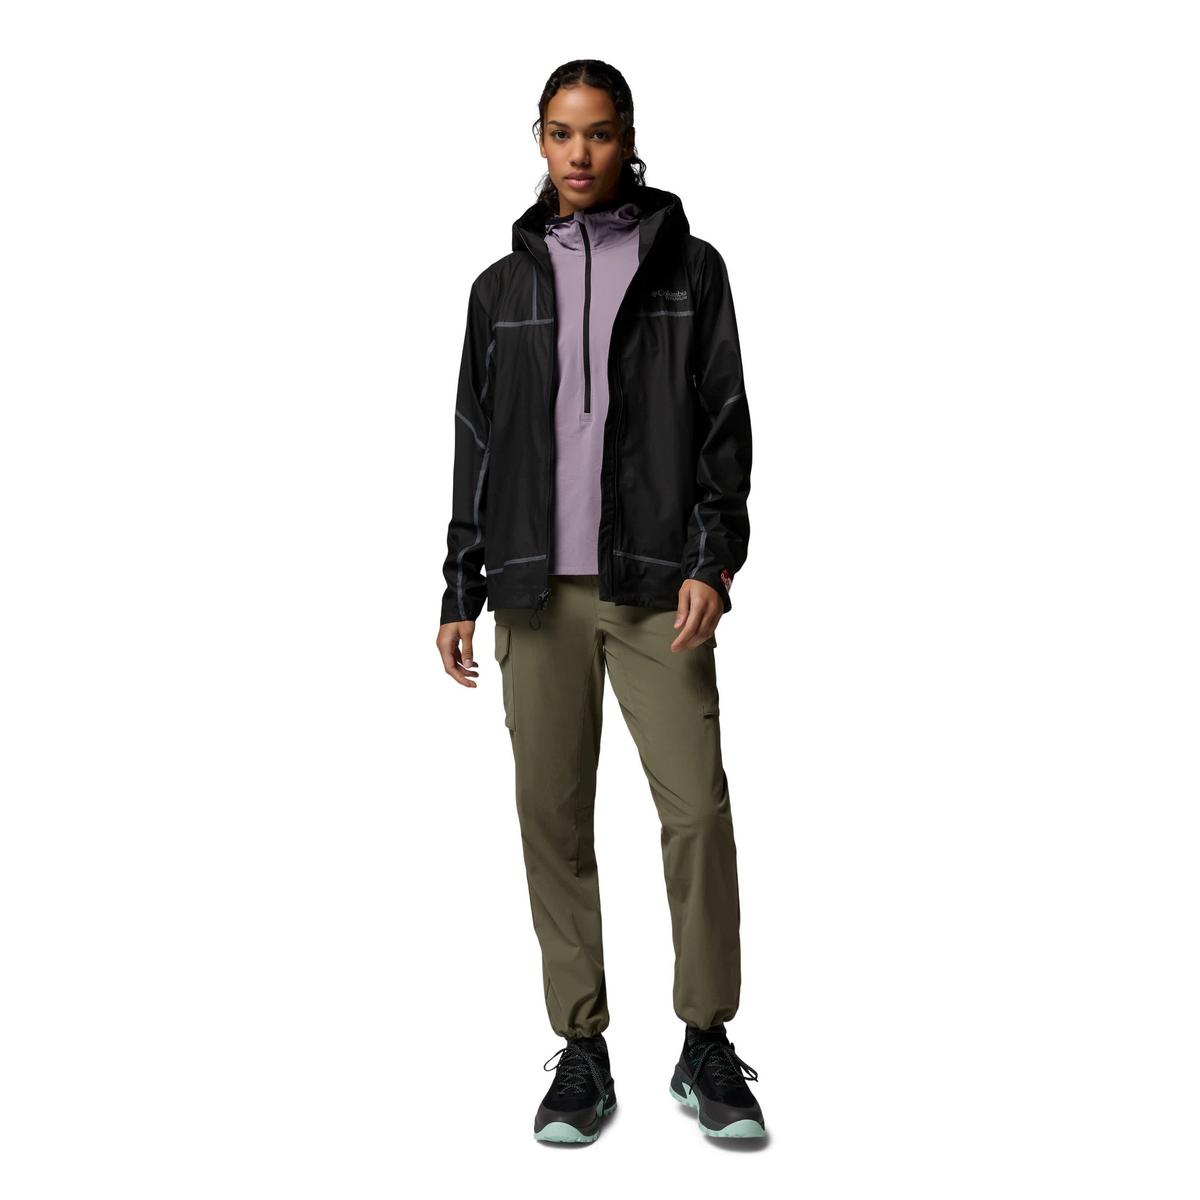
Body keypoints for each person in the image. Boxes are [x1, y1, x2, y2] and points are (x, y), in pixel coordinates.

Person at [436, 59, 760, 1143]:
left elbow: (724, 427)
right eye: (562, 133)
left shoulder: (690, 270)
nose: (581, 154)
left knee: (696, 812)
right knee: (553, 818)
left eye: (601, 133)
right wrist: (461, 584)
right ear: (540, 140)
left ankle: (705, 1040)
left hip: (660, 588)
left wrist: (713, 562)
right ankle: (582, 1049)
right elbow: (475, 445)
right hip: (535, 595)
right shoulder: (500, 290)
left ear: (628, 138)